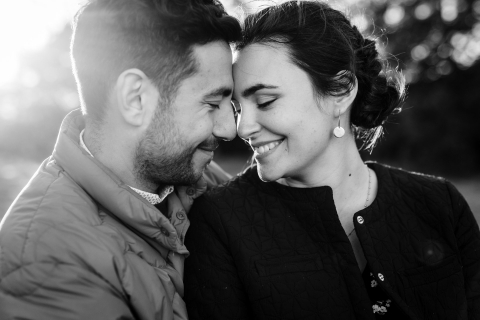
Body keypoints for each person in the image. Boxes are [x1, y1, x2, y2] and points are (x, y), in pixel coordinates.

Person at [183, 1, 480, 319]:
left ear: (340, 91)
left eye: (266, 101)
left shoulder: (439, 204)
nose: (242, 128)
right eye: (239, 108)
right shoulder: (221, 224)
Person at [0, 0, 241, 319]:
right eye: (212, 103)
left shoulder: (197, 176)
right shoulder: (45, 264)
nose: (229, 130)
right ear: (135, 98)